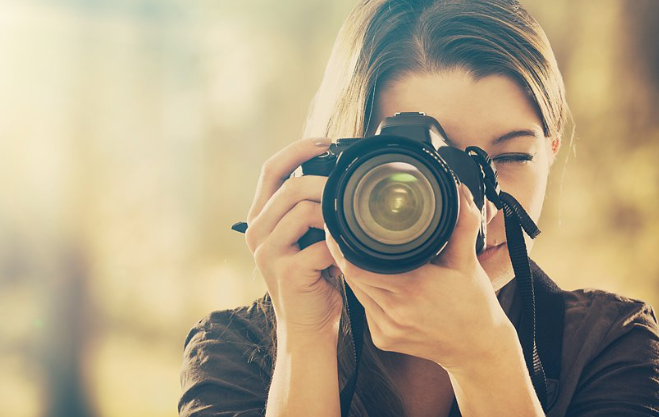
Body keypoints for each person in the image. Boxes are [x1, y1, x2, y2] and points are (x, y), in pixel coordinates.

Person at [178, 0, 659, 416]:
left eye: (509, 159)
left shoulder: (611, 345)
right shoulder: (237, 353)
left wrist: (485, 356)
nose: (475, 211)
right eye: (425, 170)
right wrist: (305, 336)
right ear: (343, 174)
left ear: (551, 151)